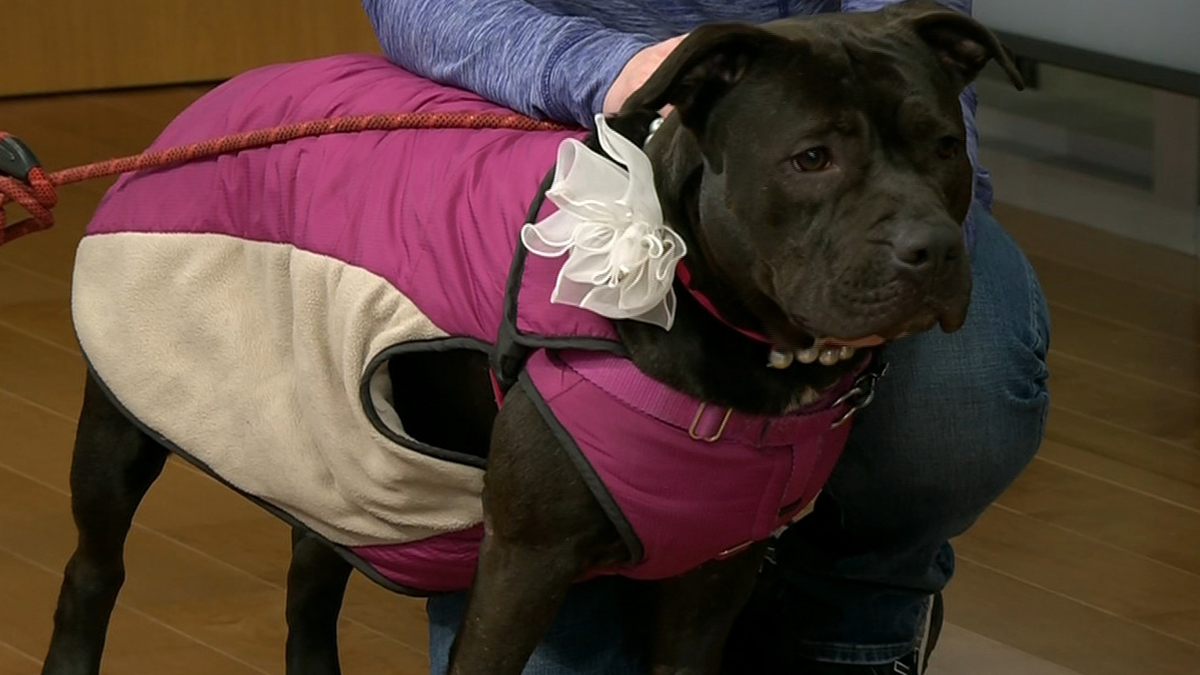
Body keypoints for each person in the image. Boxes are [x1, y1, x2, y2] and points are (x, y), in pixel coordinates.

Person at [360, 1, 1051, 673]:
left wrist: (897, 255)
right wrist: (615, 70)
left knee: (961, 395)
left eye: (936, 149)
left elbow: (906, 86)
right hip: (550, 111)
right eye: (818, 158)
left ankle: (846, 619)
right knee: (552, 510)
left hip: (810, 106)